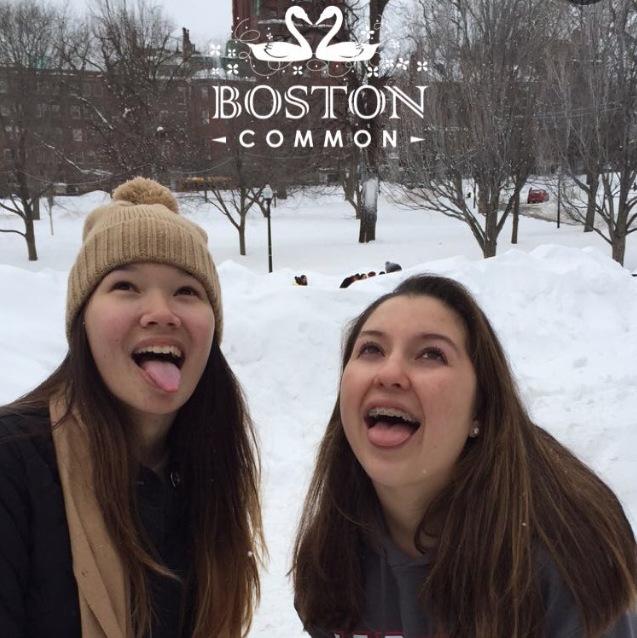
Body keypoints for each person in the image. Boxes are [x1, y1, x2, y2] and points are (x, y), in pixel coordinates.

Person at [292, 274, 637, 638]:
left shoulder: (564, 557)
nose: (390, 373)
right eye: (371, 350)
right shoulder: (331, 550)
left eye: (430, 354)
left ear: (480, 409)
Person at [0, 177, 264, 638]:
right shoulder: (12, 463)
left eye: (187, 291)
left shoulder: (209, 470)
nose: (161, 312)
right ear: (82, 320)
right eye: (126, 286)